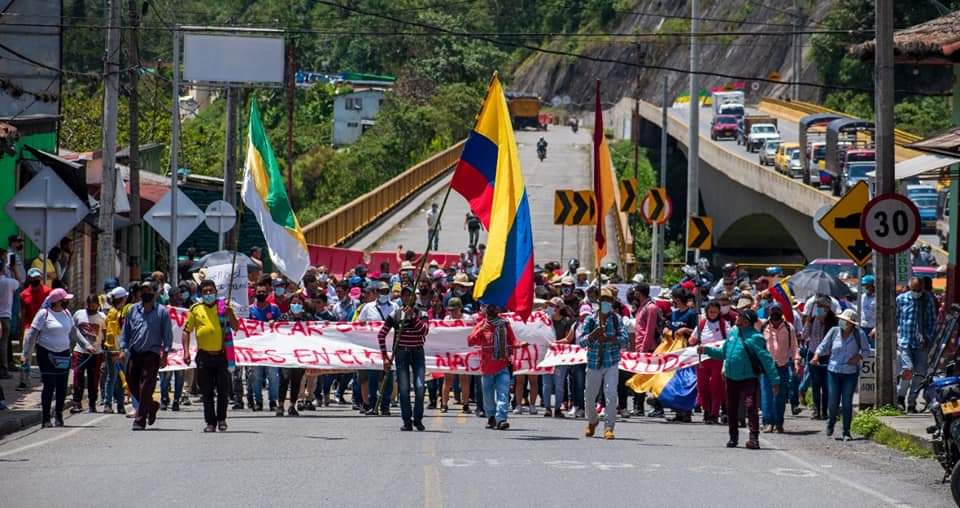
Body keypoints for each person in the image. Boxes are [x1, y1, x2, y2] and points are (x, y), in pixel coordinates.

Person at [699, 309, 779, 449]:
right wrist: (706, 350)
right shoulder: (733, 333)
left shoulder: (756, 337)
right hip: (731, 378)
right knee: (732, 409)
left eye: (740, 316)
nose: (737, 317)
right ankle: (733, 438)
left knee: (751, 407)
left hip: (749, 378)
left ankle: (754, 438)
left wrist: (775, 380)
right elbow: (723, 353)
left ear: (746, 321)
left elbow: (767, 360)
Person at [22, 288, 95, 427]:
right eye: (65, 300)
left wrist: (86, 345)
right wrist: (26, 354)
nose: (68, 302)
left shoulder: (67, 313)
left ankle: (59, 415)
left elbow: (74, 332)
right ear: (57, 301)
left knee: (62, 386)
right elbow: (32, 335)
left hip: (63, 354)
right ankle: (45, 418)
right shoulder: (44, 314)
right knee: (49, 385)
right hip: (46, 354)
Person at [182, 279, 238, 432]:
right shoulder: (195, 309)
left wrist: (230, 314)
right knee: (206, 392)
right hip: (204, 356)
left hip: (221, 356)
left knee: (223, 390)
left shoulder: (223, 307)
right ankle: (210, 422)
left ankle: (221, 419)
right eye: (205, 291)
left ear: (215, 292)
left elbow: (236, 327)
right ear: (201, 293)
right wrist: (186, 351)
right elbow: (186, 331)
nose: (208, 294)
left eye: (210, 291)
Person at [119, 281, 173, 431]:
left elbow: (167, 334)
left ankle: (140, 419)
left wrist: (165, 354)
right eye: (143, 291)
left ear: (154, 293)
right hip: (134, 353)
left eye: (148, 290)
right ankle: (151, 405)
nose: (145, 293)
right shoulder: (132, 310)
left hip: (152, 354)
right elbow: (126, 331)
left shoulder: (162, 312)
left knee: (146, 386)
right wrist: (123, 348)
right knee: (132, 383)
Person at [812, 309, 871, 441]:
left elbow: (867, 350)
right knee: (833, 402)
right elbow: (823, 345)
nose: (843, 323)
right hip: (833, 371)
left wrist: (859, 357)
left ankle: (846, 431)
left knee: (846, 402)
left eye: (846, 321)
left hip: (850, 373)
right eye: (842, 320)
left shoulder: (858, 334)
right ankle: (831, 421)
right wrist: (816, 356)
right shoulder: (834, 331)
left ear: (851, 324)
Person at [579, 287, 629, 440]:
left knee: (611, 394)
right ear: (599, 302)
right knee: (589, 396)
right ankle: (593, 420)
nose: (606, 304)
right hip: (594, 362)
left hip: (611, 362)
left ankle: (609, 426)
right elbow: (581, 341)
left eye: (609, 301)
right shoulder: (590, 319)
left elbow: (625, 339)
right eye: (603, 301)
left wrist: (610, 338)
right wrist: (593, 335)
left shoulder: (616, 319)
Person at [378, 286, 429, 431]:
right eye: (404, 296)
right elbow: (381, 334)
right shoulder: (396, 314)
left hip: (418, 353)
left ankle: (418, 419)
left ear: (414, 297)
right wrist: (385, 357)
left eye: (409, 295)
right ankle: (407, 421)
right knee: (404, 388)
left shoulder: (422, 313)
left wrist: (412, 317)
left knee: (419, 387)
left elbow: (424, 331)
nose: (406, 298)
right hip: (401, 353)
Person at [468, 304, 522, 430]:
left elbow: (513, 340)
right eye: (488, 307)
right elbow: (471, 341)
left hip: (502, 364)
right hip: (487, 367)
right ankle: (491, 416)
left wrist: (519, 344)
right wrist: (480, 330)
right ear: (485, 310)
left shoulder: (504, 324)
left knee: (503, 393)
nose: (492, 309)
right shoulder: (481, 324)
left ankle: (501, 419)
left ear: (498, 309)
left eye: (494, 307)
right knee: (488, 394)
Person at [896, 277, 937, 413]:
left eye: (919, 290)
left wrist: (928, 337)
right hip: (905, 341)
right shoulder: (901, 299)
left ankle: (912, 402)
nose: (916, 292)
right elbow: (895, 318)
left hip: (921, 344)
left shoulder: (928, 300)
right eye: (914, 290)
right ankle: (900, 396)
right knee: (908, 369)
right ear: (909, 288)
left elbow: (932, 322)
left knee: (919, 375)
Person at [357, 281, 397, 415]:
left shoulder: (395, 307)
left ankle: (385, 406)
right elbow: (359, 324)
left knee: (388, 379)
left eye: (386, 291)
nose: (384, 294)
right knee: (372, 379)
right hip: (373, 348)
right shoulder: (368, 307)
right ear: (376, 293)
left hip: (390, 348)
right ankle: (372, 405)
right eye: (381, 291)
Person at [760, 304, 799, 433]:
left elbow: (794, 347)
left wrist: (796, 362)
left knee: (781, 396)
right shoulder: (763, 326)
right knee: (767, 395)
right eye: (772, 312)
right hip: (767, 366)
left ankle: (779, 422)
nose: (775, 315)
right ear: (769, 313)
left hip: (782, 366)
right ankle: (767, 422)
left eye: (777, 311)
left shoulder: (789, 327)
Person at [688, 301, 727, 425]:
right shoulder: (702, 323)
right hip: (702, 359)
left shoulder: (723, 324)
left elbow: (729, 340)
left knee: (716, 387)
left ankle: (714, 413)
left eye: (715, 312)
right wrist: (694, 338)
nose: (713, 314)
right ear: (707, 312)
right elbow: (691, 341)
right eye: (711, 312)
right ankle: (706, 411)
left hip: (717, 359)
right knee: (703, 387)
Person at [248, 279, 282, 412]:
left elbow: (282, 324)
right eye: (259, 292)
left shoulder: (274, 308)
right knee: (255, 376)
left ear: (268, 293)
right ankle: (258, 401)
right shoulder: (250, 310)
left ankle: (273, 401)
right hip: (254, 348)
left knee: (273, 376)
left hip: (271, 348)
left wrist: (276, 322)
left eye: (264, 292)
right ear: (255, 293)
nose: (261, 294)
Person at [69, 295, 105, 414]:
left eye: (94, 304)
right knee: (77, 377)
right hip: (80, 351)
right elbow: (72, 331)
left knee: (93, 380)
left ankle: (92, 403)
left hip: (96, 353)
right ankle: (76, 403)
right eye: (89, 304)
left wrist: (103, 350)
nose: (91, 307)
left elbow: (104, 335)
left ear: (98, 305)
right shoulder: (78, 314)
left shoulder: (102, 317)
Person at [802, 296, 837, 420]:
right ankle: (816, 410)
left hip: (827, 356)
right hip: (813, 354)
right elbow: (804, 335)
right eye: (819, 306)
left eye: (823, 306)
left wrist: (825, 323)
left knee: (826, 385)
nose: (821, 309)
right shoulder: (812, 319)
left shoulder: (834, 321)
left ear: (828, 308)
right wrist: (808, 322)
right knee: (815, 384)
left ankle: (825, 411)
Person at [18, 268, 52, 390]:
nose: (36, 280)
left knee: (45, 355)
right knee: (26, 354)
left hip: (44, 327)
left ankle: (46, 378)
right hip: (30, 327)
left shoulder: (48, 292)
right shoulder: (24, 294)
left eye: (37, 278)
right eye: (33, 278)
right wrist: (22, 331)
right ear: (29, 279)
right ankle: (24, 380)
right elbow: (22, 313)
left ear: (41, 278)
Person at [542, 297, 574, 418]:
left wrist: (554, 343)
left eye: (553, 306)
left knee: (559, 383)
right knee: (546, 383)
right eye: (549, 306)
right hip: (546, 355)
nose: (550, 308)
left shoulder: (566, 321)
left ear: (559, 308)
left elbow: (568, 339)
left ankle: (557, 408)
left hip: (560, 356)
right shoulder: (545, 321)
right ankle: (547, 408)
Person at [441, 297, 473, 413]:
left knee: (464, 379)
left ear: (460, 308)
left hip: (463, 352)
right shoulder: (446, 319)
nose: (452, 312)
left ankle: (465, 404)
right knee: (448, 379)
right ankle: (444, 404)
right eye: (450, 310)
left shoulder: (467, 319)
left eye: (454, 310)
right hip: (450, 352)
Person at [102, 286, 127, 414]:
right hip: (115, 350)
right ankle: (108, 403)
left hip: (118, 349)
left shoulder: (117, 312)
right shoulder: (114, 313)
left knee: (120, 378)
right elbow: (112, 334)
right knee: (112, 378)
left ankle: (120, 404)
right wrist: (114, 350)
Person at [0, 255, 18, 379]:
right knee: (3, 343)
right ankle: (4, 369)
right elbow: (19, 283)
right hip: (5, 317)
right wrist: (13, 270)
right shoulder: (9, 282)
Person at [859, 275, 876, 343]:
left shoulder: (878, 298)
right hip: (863, 327)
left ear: (872, 286)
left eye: (866, 285)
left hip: (873, 328)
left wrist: (876, 328)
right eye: (863, 285)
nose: (864, 287)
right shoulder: (862, 297)